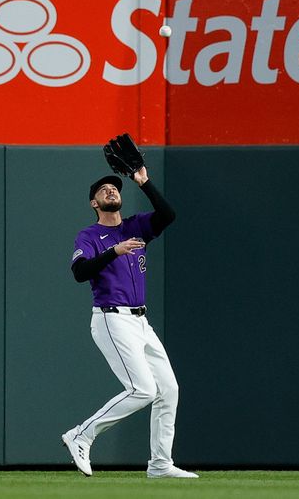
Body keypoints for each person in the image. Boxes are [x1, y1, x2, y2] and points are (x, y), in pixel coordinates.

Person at [62, 166, 198, 479]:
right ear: (94, 203)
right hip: (112, 318)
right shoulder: (90, 235)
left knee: (168, 389)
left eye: (115, 188)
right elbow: (80, 273)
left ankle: (161, 464)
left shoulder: (135, 226)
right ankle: (82, 434)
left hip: (140, 320)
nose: (111, 190)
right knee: (143, 389)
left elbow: (168, 215)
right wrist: (113, 251)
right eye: (103, 190)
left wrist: (144, 181)